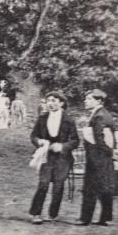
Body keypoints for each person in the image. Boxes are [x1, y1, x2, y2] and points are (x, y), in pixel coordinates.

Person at [28, 91, 79, 224]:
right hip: (46, 157)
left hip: (63, 158)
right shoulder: (42, 118)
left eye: (54, 101)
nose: (51, 103)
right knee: (43, 184)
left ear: (61, 103)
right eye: (49, 100)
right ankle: (36, 214)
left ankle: (53, 213)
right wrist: (39, 142)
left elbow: (75, 141)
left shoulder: (69, 120)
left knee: (58, 186)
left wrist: (62, 146)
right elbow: (33, 136)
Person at [76, 89, 117, 226]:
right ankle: (104, 218)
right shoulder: (103, 114)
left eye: (89, 99)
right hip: (101, 156)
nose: (85, 101)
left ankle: (85, 219)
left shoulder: (99, 116)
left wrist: (107, 151)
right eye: (86, 99)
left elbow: (99, 139)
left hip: (97, 156)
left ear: (98, 101)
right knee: (103, 186)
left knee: (90, 187)